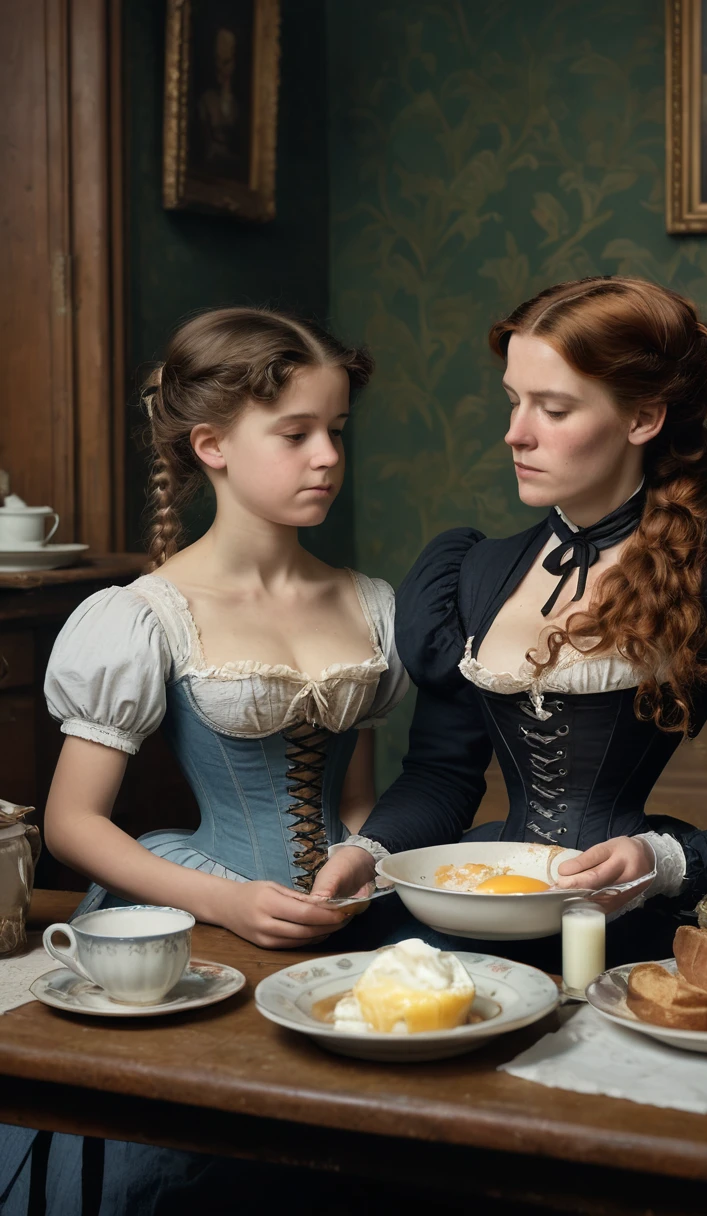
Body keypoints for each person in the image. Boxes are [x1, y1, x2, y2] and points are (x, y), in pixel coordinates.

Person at [0, 306, 409, 1213]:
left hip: (344, 919)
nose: (329, 457)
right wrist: (226, 899)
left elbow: (356, 803)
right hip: (197, 916)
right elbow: (72, 825)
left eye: (336, 431)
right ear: (213, 445)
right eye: (296, 433)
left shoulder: (370, 603)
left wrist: (359, 862)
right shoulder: (145, 615)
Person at [314, 276, 707, 965]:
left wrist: (659, 860)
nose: (515, 434)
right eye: (513, 401)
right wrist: (369, 853)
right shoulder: (473, 571)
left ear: (643, 418)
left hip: (633, 927)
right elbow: (440, 778)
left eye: (552, 409)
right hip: (479, 908)